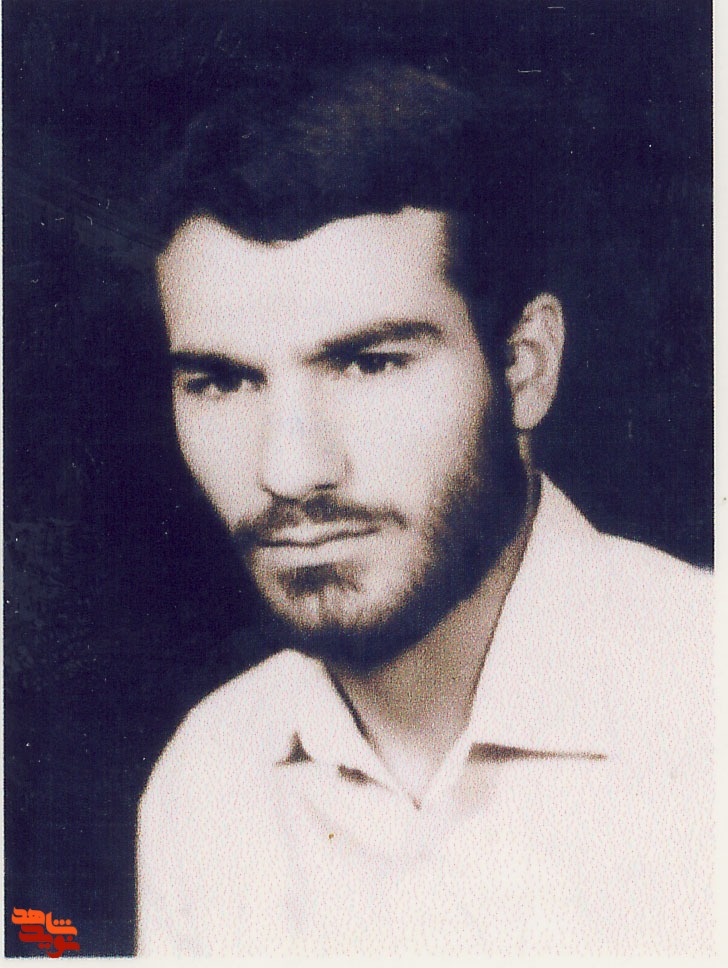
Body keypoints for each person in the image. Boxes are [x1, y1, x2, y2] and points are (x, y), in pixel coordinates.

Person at [135, 62, 713, 956]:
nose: (290, 470)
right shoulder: (207, 779)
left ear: (524, 367)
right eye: (222, 381)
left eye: (370, 363)